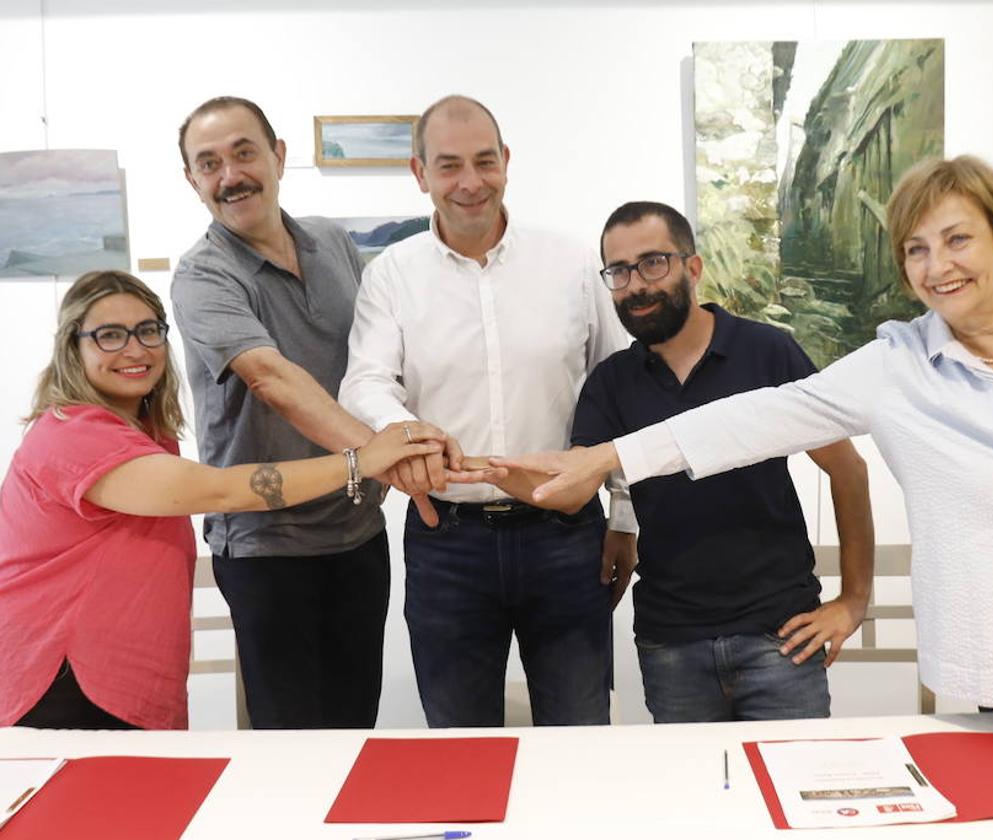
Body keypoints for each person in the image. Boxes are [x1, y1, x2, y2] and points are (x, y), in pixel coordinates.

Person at [496, 156, 993, 727]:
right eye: (915, 250)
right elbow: (754, 419)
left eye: (958, 239)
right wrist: (608, 457)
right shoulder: (896, 363)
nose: (937, 266)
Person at [0, 271, 440, 730]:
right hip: (64, 678)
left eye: (148, 330)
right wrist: (362, 460)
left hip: (121, 679)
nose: (135, 349)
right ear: (73, 347)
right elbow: (221, 490)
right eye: (109, 336)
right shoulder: (74, 436)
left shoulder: (145, 434)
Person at [338, 95, 632, 728]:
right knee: (458, 746)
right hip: (448, 543)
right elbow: (364, 380)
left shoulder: (572, 262)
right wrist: (410, 436)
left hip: (566, 533)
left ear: (506, 162)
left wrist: (626, 516)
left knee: (581, 735)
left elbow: (621, 392)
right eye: (448, 166)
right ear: (420, 174)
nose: (469, 183)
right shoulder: (393, 272)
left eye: (483, 161)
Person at [171, 96, 433, 729]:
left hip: (358, 535)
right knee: (292, 746)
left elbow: (376, 360)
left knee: (353, 728)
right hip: (266, 549)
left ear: (278, 156)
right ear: (193, 181)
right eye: (209, 164)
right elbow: (271, 378)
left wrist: (401, 444)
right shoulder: (202, 276)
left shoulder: (332, 241)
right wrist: (379, 455)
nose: (230, 175)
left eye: (243, 152)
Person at [570, 201, 875, 722]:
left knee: (791, 791)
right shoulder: (611, 382)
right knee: (694, 799)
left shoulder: (768, 353)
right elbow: (587, 479)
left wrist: (853, 602)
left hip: (781, 637)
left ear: (693, 267)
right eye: (618, 272)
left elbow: (848, 469)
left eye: (652, 263)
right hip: (671, 645)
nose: (636, 284)